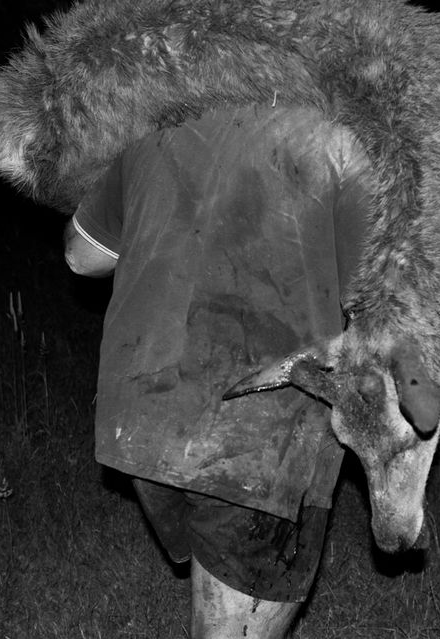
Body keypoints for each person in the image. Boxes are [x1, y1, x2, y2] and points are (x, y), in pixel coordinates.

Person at [64, 103, 375, 638]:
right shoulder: (339, 140)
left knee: (215, 579)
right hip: (258, 436)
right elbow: (371, 298)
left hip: (142, 420)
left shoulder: (156, 122)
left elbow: (80, 256)